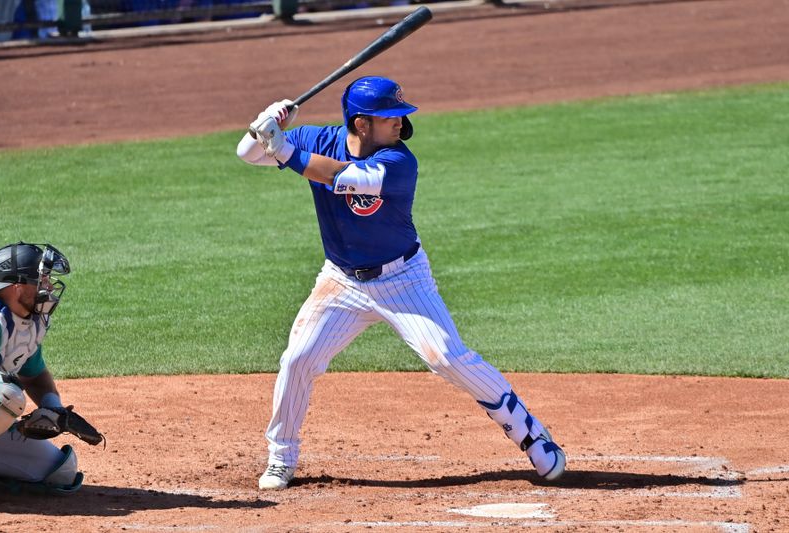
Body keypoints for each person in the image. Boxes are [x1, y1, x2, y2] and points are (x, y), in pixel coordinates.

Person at [236, 76, 567, 490]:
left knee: (446, 357)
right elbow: (247, 154)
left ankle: (532, 434)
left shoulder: (399, 162)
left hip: (404, 279)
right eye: (389, 117)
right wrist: (266, 122)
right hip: (342, 281)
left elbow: (343, 178)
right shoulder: (315, 139)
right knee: (297, 359)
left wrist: (282, 146)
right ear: (360, 124)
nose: (399, 124)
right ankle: (281, 458)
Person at [0, 242, 87, 494]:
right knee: (3, 394)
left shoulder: (28, 323)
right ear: (16, 286)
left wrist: (52, 406)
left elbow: (33, 374)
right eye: (41, 279)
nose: (50, 286)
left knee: (60, 471)